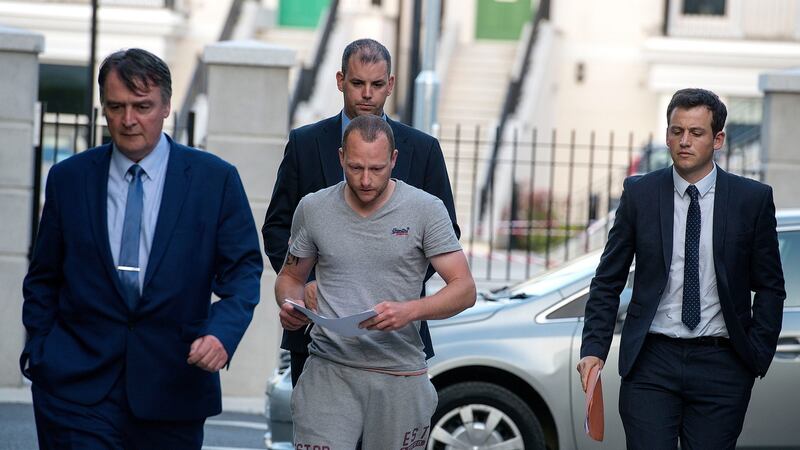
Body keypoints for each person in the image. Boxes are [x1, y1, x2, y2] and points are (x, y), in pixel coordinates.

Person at [20, 48, 263, 449]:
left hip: (172, 387)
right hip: (74, 389)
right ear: (104, 109)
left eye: (142, 106)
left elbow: (243, 271)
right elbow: (44, 275)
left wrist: (221, 334)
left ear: (167, 105)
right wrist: (41, 352)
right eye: (116, 106)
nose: (129, 120)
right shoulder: (69, 179)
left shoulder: (213, 180)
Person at [578, 88, 785, 449]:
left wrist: (756, 355)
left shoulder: (751, 200)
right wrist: (593, 347)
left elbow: (770, 286)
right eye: (676, 131)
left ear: (718, 138)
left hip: (722, 363)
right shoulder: (640, 194)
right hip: (651, 361)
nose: (684, 141)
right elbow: (608, 278)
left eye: (696, 132)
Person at [262, 38, 459, 386]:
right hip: (315, 334)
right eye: (357, 83)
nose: (367, 94)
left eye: (377, 84)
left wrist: (395, 288)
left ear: (390, 85)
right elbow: (279, 226)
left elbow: (446, 234)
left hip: (395, 337)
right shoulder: (306, 143)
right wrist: (304, 287)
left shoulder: (423, 149)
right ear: (340, 81)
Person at [274, 114, 475, 448]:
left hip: (399, 373)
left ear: (394, 160)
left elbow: (465, 289)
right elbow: (290, 277)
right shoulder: (314, 208)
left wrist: (410, 311)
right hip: (329, 369)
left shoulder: (426, 209)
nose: (366, 179)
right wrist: (290, 303)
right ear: (340, 158)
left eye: (377, 169)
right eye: (355, 168)